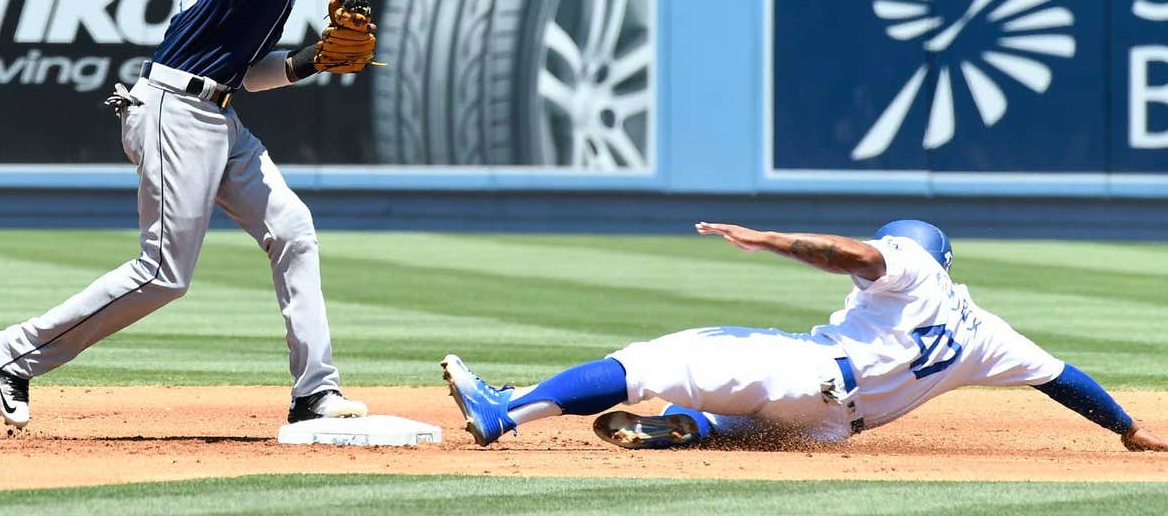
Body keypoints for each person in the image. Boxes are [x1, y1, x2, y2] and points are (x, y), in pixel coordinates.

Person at [0, 0, 376, 430]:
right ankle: (15, 351)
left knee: (294, 230)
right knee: (164, 273)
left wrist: (311, 61)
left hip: (217, 113)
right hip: (175, 108)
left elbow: (245, 74)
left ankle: (315, 394)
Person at [442, 220, 1168, 452]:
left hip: (811, 370)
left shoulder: (910, 266)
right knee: (755, 421)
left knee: (647, 361)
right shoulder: (989, 334)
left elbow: (851, 252)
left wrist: (769, 240)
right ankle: (696, 428)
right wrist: (1127, 428)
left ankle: (505, 410)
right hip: (830, 428)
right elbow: (1065, 380)